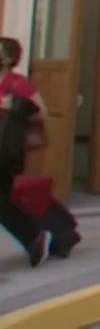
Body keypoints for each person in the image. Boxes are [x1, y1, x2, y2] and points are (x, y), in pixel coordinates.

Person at [0, 37, 49, 267]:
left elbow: (42, 112)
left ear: (8, 59)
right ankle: (33, 237)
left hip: (5, 152)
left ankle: (34, 237)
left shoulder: (18, 84)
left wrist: (14, 106)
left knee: (2, 204)